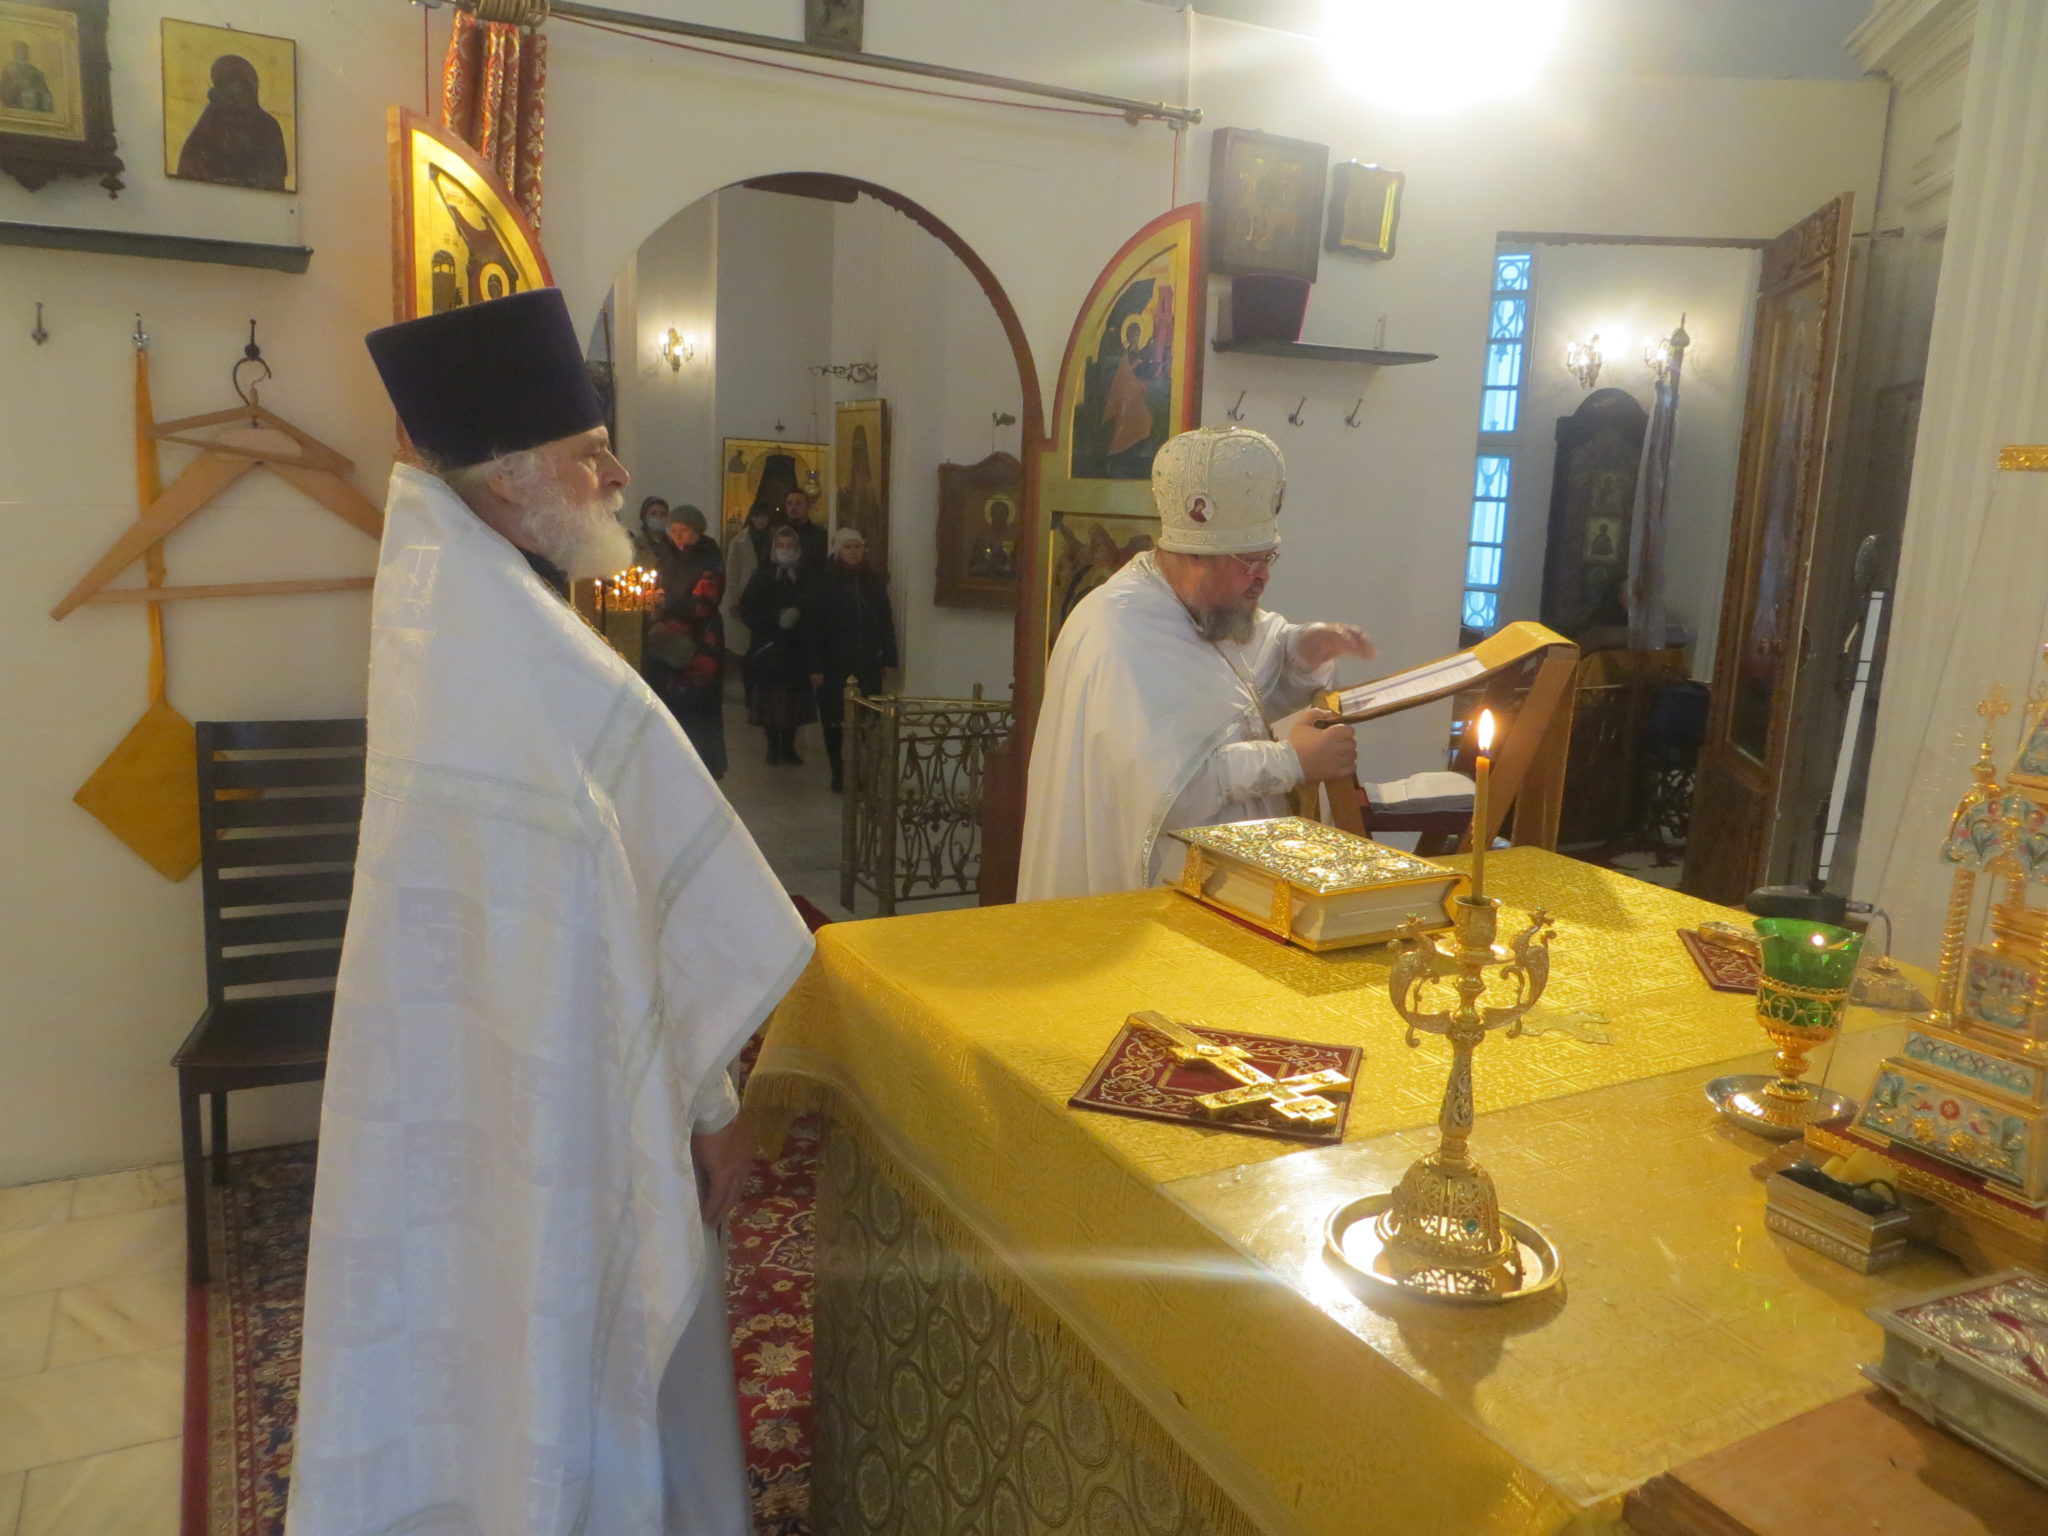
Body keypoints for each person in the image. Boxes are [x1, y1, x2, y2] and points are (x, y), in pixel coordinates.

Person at [289, 289, 813, 1536]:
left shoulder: (454, 599)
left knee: (487, 1317)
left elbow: (621, 893)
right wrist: (706, 1101)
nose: (618, 475)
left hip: (502, 1073)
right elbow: (627, 909)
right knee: (554, 1325)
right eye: (591, 452)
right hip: (562, 1092)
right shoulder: (498, 639)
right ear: (512, 475)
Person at [1018, 426, 1377, 901]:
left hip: (1222, 880)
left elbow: (1245, 688)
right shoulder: (1120, 633)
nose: (1263, 578)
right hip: (1145, 898)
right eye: (1248, 563)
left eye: (1268, 558)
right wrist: (1292, 761)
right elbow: (1165, 793)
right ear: (1195, 557)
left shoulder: (1206, 610)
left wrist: (1302, 651)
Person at [644, 505, 729, 779]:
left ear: (697, 531)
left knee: (696, 708)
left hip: (700, 643)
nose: (678, 536)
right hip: (666, 643)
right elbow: (657, 585)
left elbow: (703, 602)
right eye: (674, 530)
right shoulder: (668, 555)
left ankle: (702, 767)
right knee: (669, 705)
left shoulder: (709, 558)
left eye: (684, 531)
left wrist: (667, 603)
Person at [812, 526, 899, 792]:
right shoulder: (825, 582)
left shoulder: (873, 582)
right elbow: (815, 628)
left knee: (866, 721)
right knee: (836, 721)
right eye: (848, 547)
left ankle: (860, 771)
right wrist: (815, 666)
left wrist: (890, 659)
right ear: (838, 551)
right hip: (834, 663)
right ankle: (839, 772)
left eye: (857, 546)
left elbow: (885, 622)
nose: (853, 552)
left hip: (867, 662)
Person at [738, 525, 820, 766]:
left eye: (789, 546)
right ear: (773, 548)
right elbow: (748, 610)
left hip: (796, 650)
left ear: (797, 548)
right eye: (780, 546)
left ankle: (789, 745)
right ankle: (773, 745)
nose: (785, 550)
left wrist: (799, 615)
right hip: (768, 648)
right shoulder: (761, 577)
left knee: (794, 700)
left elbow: (816, 609)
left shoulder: (806, 577)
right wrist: (775, 618)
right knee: (770, 701)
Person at [174, 53, 289, 191]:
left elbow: (274, 175)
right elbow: (191, 165)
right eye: (225, 86)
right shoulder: (210, 121)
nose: (232, 93)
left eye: (239, 87)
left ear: (250, 89)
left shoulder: (267, 125)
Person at [781, 486, 828, 570]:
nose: (793, 507)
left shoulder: (820, 536)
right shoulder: (779, 535)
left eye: (798, 503)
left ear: (808, 506)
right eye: (789, 503)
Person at [1, 40, 53, 114]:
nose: (23, 52)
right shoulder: (10, 69)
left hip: (31, 92)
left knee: (45, 95)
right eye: (20, 50)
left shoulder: (33, 69)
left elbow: (41, 84)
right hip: (16, 93)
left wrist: (39, 83)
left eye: (24, 50)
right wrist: (17, 84)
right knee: (29, 94)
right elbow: (5, 86)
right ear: (15, 52)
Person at [633, 493, 672, 565]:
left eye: (663, 514)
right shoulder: (636, 545)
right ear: (644, 517)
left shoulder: (675, 544)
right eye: (653, 514)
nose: (659, 517)